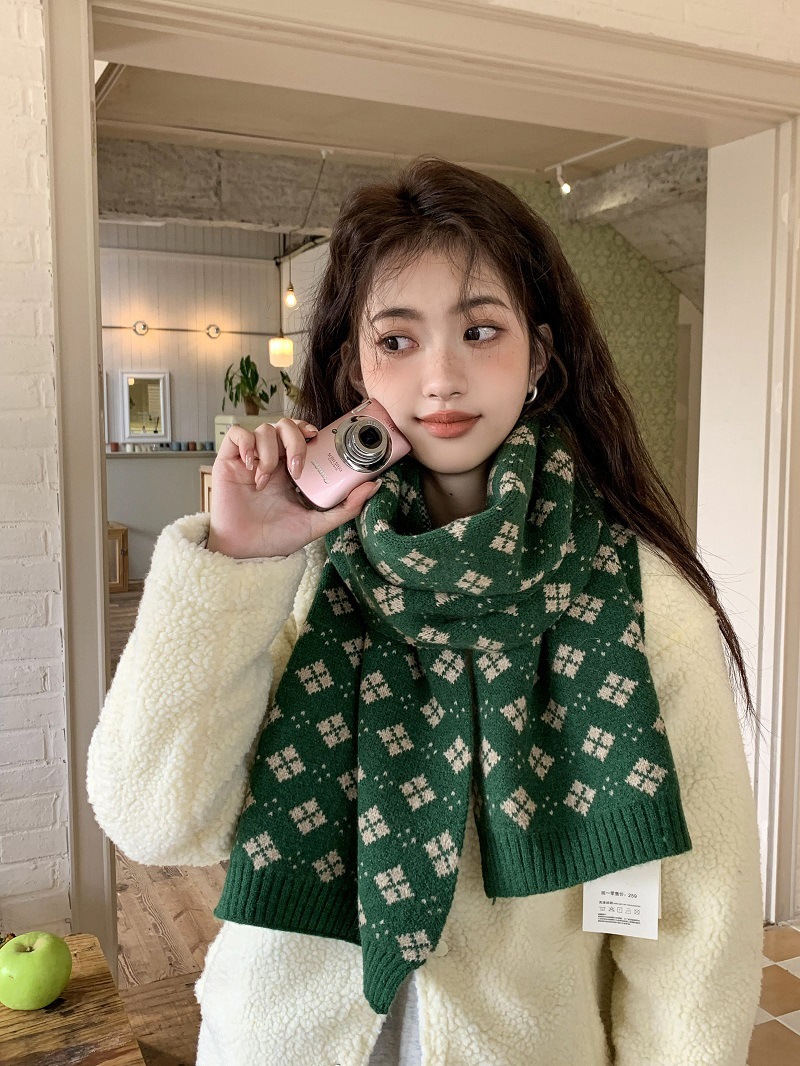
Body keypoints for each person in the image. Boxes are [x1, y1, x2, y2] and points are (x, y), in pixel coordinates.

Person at [87, 156, 763, 1066]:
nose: (441, 378)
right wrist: (241, 561)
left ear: (539, 357)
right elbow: (154, 820)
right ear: (355, 364)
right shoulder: (299, 574)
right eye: (398, 341)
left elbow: (695, 928)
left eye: (480, 331)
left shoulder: (637, 601)